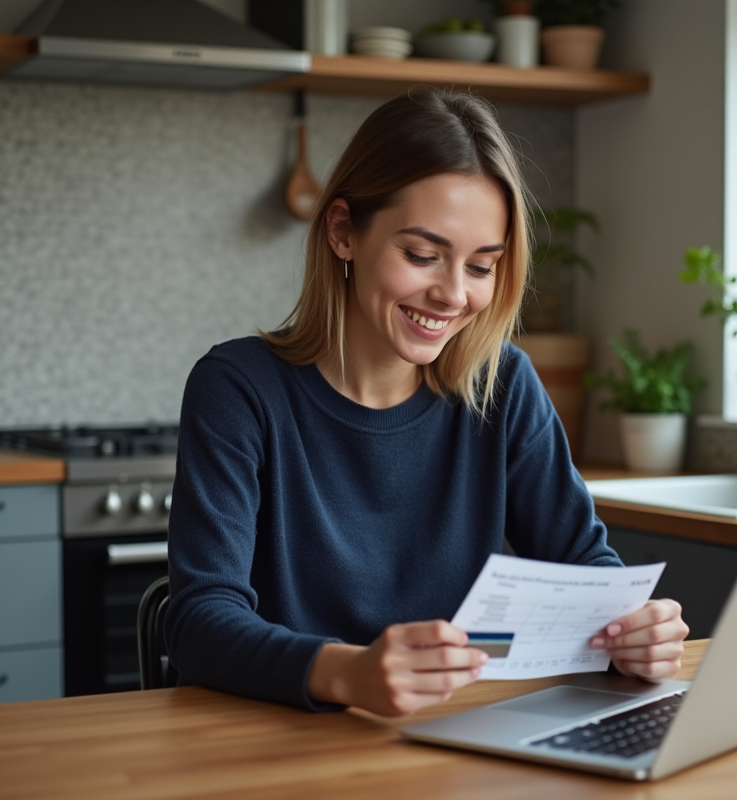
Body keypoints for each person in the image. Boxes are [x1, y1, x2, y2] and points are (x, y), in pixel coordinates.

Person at [165, 87, 688, 717]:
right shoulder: (239, 389)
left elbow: (583, 565)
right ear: (342, 233)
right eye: (422, 256)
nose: (452, 295)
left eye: (481, 266)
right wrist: (346, 673)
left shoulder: (501, 385)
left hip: (452, 742)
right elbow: (198, 621)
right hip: (282, 746)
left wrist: (634, 628)